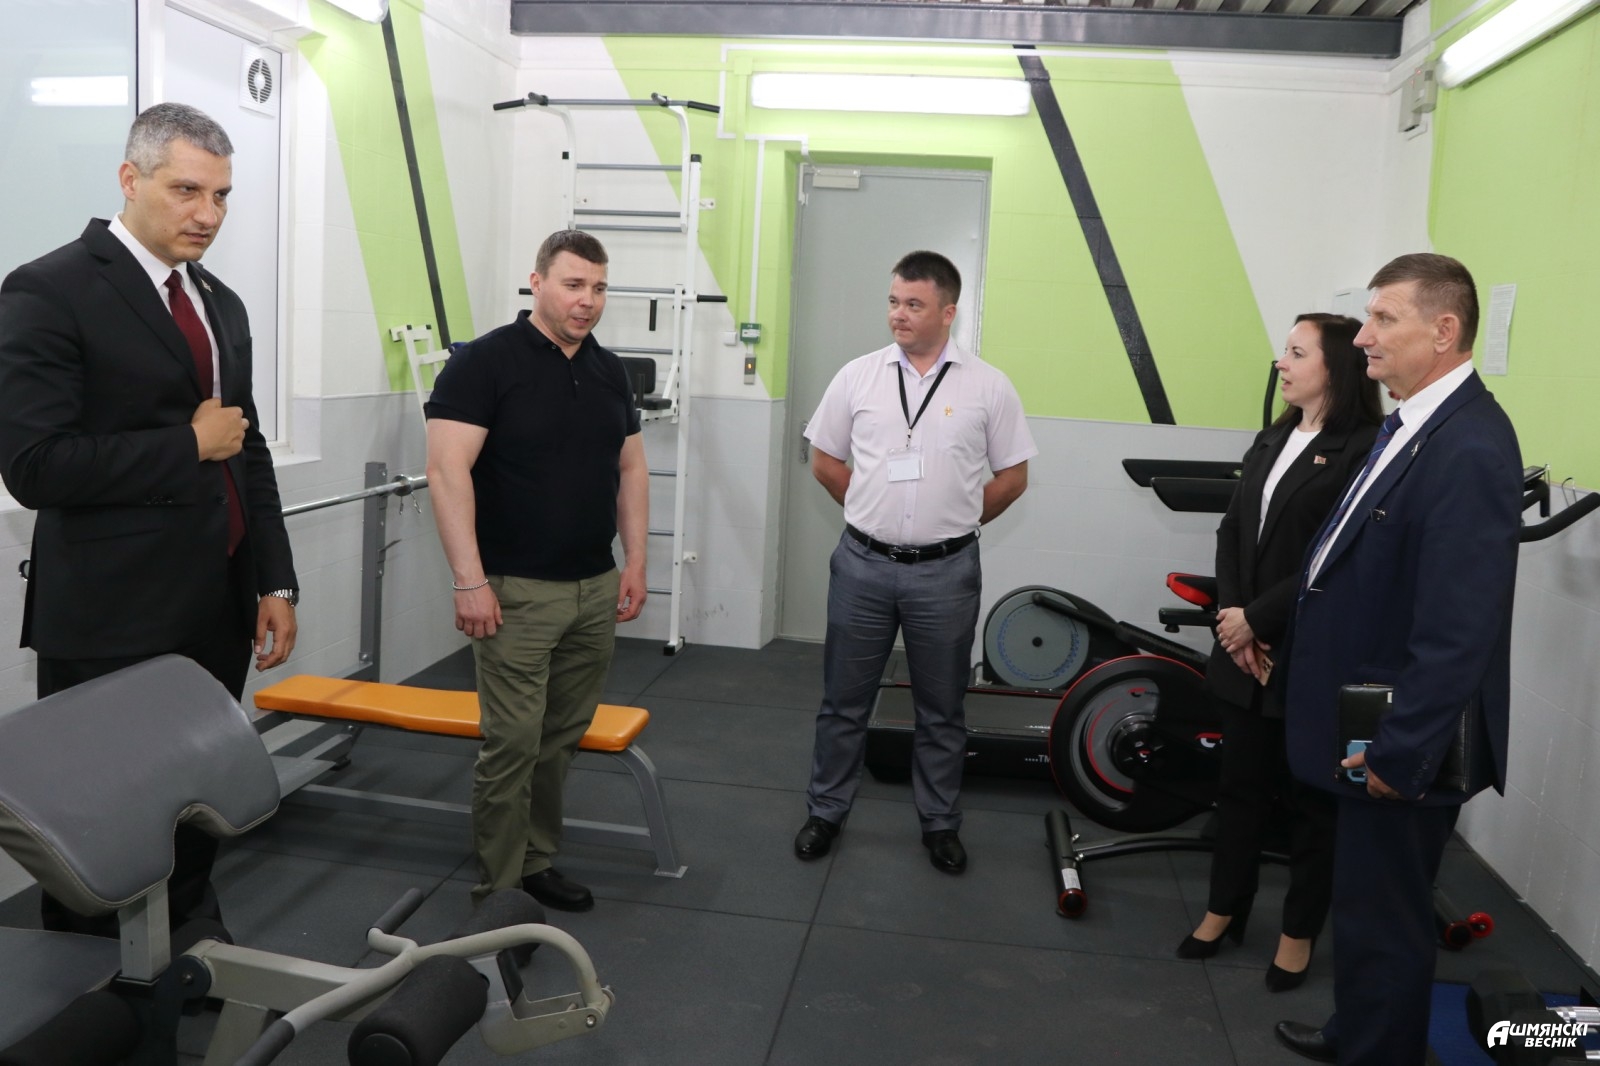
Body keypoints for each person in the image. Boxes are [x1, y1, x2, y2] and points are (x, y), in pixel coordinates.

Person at [0, 102, 299, 937]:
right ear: (130, 180)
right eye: (186, 190)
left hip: (216, 608)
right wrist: (186, 445)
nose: (208, 213)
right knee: (102, 827)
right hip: (111, 616)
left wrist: (273, 579)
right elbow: (35, 467)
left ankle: (188, 944)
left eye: (222, 195)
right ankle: (93, 986)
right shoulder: (50, 288)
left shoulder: (220, 302)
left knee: (196, 803)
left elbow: (247, 447)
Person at [1273, 254, 1522, 1065]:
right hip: (1369, 719)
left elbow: (1459, 629)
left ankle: (1379, 1053)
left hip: (1398, 733)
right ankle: (1362, 1032)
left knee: (1386, 912)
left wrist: (1400, 749)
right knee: (1364, 903)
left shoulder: (1470, 445)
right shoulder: (1415, 422)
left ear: (1444, 331)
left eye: (1384, 319)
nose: (1363, 337)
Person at [792, 250, 1036, 874]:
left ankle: (940, 823)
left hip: (946, 573)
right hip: (862, 566)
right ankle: (826, 812)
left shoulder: (988, 386)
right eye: (894, 302)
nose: (898, 314)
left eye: (914, 304)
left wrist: (955, 521)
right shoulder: (858, 377)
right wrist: (869, 511)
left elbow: (1013, 477)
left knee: (942, 708)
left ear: (948, 312)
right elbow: (824, 460)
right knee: (843, 702)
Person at [425, 229, 647, 913]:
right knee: (513, 743)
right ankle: (498, 891)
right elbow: (446, 471)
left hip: (593, 586)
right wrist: (469, 580)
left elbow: (631, 468)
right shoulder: (484, 363)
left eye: (599, 288)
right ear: (538, 282)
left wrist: (636, 561)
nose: (588, 301)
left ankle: (536, 860)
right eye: (574, 285)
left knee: (559, 740)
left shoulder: (610, 371)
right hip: (513, 591)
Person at [1177, 314, 1381, 992]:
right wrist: (1233, 618)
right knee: (1239, 790)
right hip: (1246, 651)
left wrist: (1256, 620)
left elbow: (1337, 555)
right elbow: (1234, 529)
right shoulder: (1273, 437)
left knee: (1312, 804)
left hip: (1310, 655)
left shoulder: (1365, 448)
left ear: (1336, 366)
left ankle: (1298, 935)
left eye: (1296, 352)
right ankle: (1223, 909)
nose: (1280, 363)